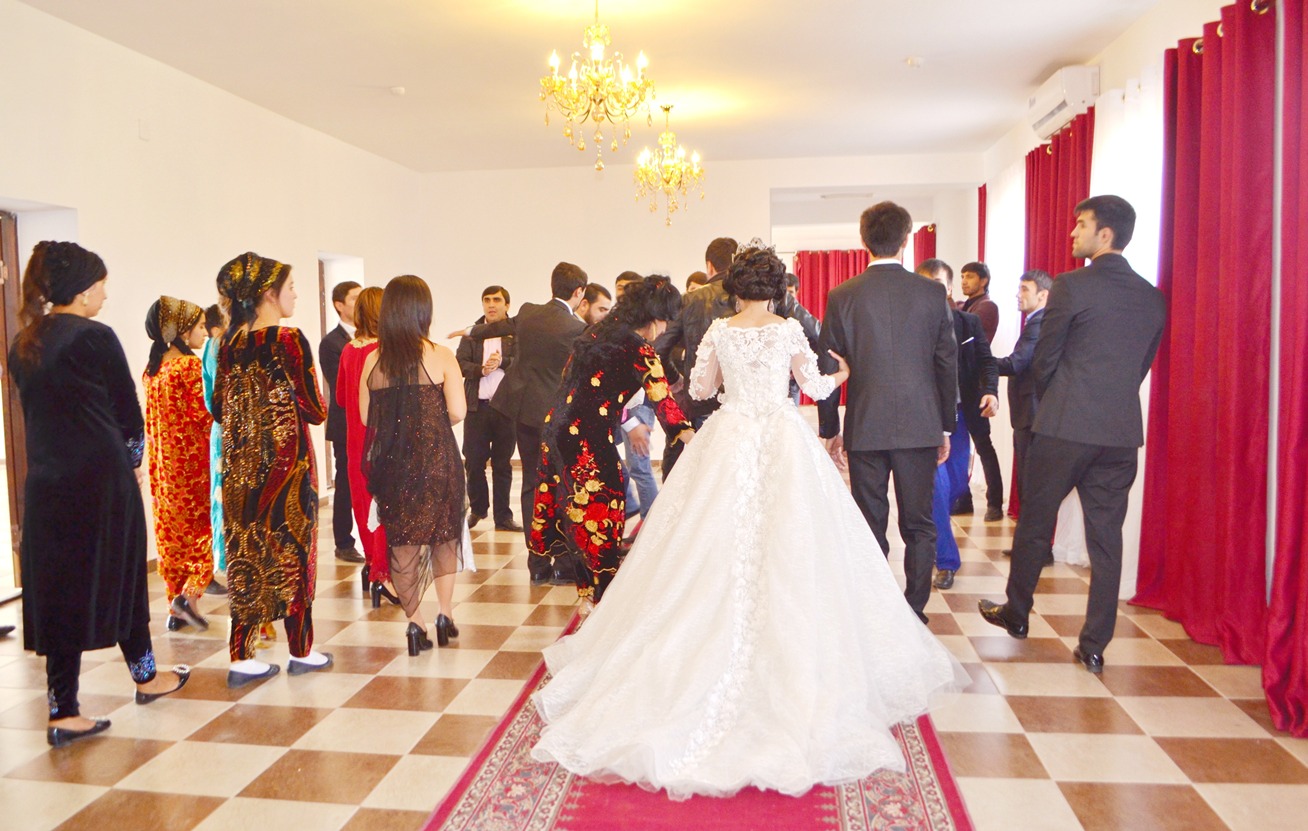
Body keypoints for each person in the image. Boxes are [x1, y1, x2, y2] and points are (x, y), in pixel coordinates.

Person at [531, 244, 961, 798]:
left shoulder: (719, 331)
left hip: (730, 434)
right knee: (796, 543)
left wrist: (727, 382)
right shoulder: (788, 330)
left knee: (703, 544)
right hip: (782, 436)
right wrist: (842, 373)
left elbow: (701, 390)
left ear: (734, 288)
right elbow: (814, 386)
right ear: (778, 289)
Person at [10, 241, 189, 747]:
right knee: (127, 578)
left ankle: (62, 709)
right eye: (102, 286)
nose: (106, 295)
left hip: (47, 485)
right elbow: (128, 415)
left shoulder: (24, 342)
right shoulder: (95, 336)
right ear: (84, 290)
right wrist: (133, 464)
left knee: (58, 590)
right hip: (101, 481)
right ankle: (146, 677)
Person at [980, 196, 1167, 674]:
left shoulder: (1071, 285)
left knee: (1035, 519)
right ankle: (1095, 644)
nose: (1072, 233)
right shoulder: (1152, 296)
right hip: (1120, 431)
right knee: (1106, 538)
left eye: (1081, 224)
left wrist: (1057, 402)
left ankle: (1017, 612)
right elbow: (1141, 366)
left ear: (1105, 234)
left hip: (1065, 425)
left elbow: (1045, 360)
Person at [817, 202, 957, 624]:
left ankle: (876, 610)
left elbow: (828, 364)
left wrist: (830, 428)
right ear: (906, 239)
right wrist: (945, 427)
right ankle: (915, 610)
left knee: (869, 521)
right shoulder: (932, 293)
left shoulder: (843, 295)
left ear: (864, 240)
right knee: (919, 522)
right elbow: (946, 362)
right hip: (920, 425)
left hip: (866, 424)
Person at [531, 275, 694, 607]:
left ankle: (586, 596)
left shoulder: (595, 333)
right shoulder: (638, 348)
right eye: (665, 321)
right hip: (587, 438)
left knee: (576, 511)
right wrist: (692, 437)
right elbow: (665, 403)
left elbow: (574, 385)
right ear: (653, 317)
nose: (665, 329)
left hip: (556, 431)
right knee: (603, 509)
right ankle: (601, 598)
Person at [214, 252, 333, 687]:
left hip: (240, 470)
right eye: (291, 287)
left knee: (247, 554)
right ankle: (301, 650)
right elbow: (315, 409)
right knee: (294, 552)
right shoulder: (288, 339)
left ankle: (241, 657)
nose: (296, 294)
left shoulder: (228, 344)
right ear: (268, 293)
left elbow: (218, 409)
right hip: (287, 470)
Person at [452, 263, 588, 583]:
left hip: (525, 413)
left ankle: (537, 563)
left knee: (531, 484)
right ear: (579, 292)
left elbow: (497, 327)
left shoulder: (528, 312)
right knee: (562, 485)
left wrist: (469, 331)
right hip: (557, 417)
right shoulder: (576, 328)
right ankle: (564, 562)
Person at [361, 275, 471, 653]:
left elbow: (366, 417)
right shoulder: (441, 355)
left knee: (403, 544)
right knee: (444, 537)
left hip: (393, 465)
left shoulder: (373, 360)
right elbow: (458, 411)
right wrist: (430, 421)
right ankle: (445, 615)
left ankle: (414, 623)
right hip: (437, 459)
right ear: (424, 311)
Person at [916, 260, 999, 591]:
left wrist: (991, 391)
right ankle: (946, 560)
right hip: (927, 417)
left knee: (956, 487)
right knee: (938, 487)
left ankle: (932, 531)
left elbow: (986, 362)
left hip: (962, 416)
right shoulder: (910, 325)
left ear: (949, 287)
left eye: (937, 282)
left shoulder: (968, 322)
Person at [143, 296, 214, 631]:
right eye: (199, 327)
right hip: (193, 467)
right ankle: (189, 596)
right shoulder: (188, 367)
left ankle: (176, 608)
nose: (204, 333)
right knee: (204, 533)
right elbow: (206, 416)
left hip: (163, 471)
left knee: (172, 538)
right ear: (182, 331)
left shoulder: (152, 370)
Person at [336, 287, 390, 599]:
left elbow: (341, 398)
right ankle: (384, 570)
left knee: (363, 502)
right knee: (385, 503)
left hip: (355, 439)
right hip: (383, 436)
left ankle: (370, 565)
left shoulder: (348, 350)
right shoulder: (386, 350)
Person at [457, 285, 520, 532]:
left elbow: (524, 364)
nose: (491, 304)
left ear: (507, 305)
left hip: (506, 408)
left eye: (497, 300)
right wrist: (480, 370)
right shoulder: (471, 333)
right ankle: (478, 509)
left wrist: (502, 362)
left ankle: (503, 517)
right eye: (487, 300)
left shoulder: (515, 333)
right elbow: (460, 363)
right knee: (473, 462)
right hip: (477, 407)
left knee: (502, 464)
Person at [950, 261, 1006, 521]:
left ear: (984, 281)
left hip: (975, 388)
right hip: (963, 388)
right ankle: (963, 499)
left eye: (970, 277)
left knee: (983, 445)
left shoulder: (985, 307)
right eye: (962, 276)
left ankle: (994, 502)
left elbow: (975, 351)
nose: (964, 281)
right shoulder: (966, 306)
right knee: (961, 448)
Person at [997, 269, 1052, 523]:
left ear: (1043, 295)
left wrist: (981, 363)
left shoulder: (1038, 324)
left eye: (1025, 289)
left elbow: (1016, 364)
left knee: (1029, 481)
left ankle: (1032, 540)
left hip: (1031, 413)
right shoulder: (1036, 322)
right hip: (1031, 412)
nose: (1018, 295)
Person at [319, 280, 364, 564]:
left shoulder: (372, 336)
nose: (360, 304)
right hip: (345, 424)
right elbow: (342, 385)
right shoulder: (332, 343)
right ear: (339, 305)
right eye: (355, 299)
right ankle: (344, 542)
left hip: (369, 420)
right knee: (346, 481)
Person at [199, 303, 228, 597]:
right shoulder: (221, 345)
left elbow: (211, 398)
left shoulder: (211, 347)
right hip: (230, 430)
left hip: (221, 429)